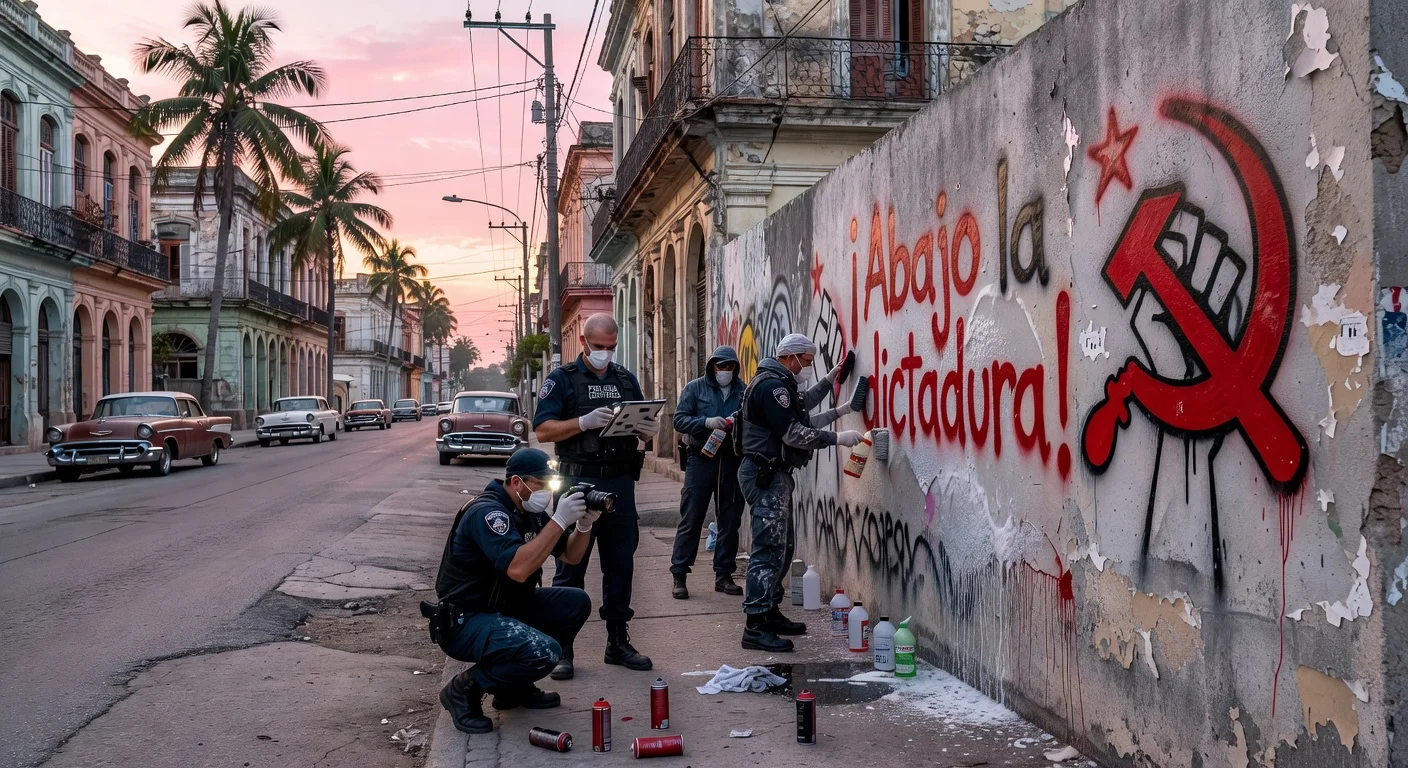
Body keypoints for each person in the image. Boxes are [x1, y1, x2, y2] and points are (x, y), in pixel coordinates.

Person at [431, 448, 597, 735]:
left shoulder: (530, 513)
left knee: (575, 602)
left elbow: (570, 556)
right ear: (517, 483)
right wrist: (559, 521)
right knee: (545, 652)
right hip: (466, 620)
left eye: (550, 485)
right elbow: (518, 569)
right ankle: (463, 690)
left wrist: (583, 525)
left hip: (505, 607)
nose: (546, 492)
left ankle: (512, 688)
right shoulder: (488, 513)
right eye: (540, 484)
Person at [533, 313, 656, 679]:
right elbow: (543, 430)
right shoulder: (562, 379)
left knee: (620, 564)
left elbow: (641, 423)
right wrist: (582, 422)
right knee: (570, 567)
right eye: (599, 346)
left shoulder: (625, 379)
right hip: (577, 480)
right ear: (584, 342)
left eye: (611, 347)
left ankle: (617, 641)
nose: (605, 353)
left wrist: (647, 429)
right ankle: (562, 648)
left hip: (619, 482)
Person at [737, 333, 868, 652]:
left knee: (783, 547)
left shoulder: (777, 383)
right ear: (790, 357)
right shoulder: (772, 387)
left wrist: (831, 380)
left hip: (772, 474)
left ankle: (769, 611)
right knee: (768, 550)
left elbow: (802, 407)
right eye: (806, 361)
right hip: (765, 475)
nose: (807, 367)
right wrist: (837, 439)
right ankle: (755, 625)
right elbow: (795, 432)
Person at [669, 345, 746, 599]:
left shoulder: (743, 391)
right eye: (720, 366)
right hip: (701, 458)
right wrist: (705, 422)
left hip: (732, 460)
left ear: (735, 368)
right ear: (712, 367)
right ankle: (679, 573)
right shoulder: (695, 388)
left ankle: (724, 575)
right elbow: (679, 420)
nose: (725, 370)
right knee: (692, 516)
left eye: (729, 366)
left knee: (730, 519)